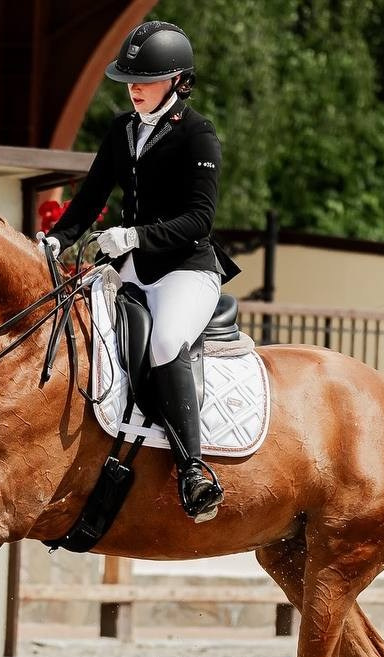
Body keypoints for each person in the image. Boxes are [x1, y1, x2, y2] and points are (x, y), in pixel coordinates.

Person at [40, 20, 240, 522]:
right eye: (130, 79)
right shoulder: (121, 129)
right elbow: (89, 200)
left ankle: (193, 470)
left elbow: (199, 219)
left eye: (145, 79)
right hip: (128, 268)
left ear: (178, 81)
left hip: (184, 270)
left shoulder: (198, 135)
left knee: (166, 342)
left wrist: (136, 236)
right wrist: (56, 240)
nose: (134, 88)